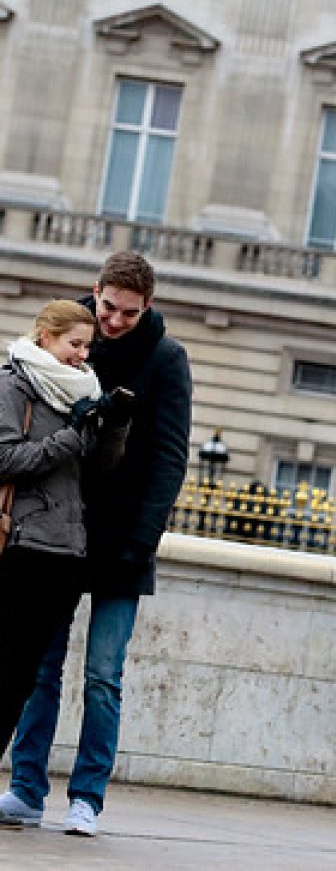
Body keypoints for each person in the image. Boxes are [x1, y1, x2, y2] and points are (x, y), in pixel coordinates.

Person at [0, 252, 192, 837]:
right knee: (39, 668)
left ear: (147, 307)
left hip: (121, 540)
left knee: (104, 675)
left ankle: (87, 798)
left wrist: (143, 540)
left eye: (127, 314)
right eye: (108, 307)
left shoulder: (165, 358)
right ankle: (26, 789)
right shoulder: (65, 339)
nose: (111, 323)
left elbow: (168, 459)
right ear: (96, 291)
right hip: (57, 533)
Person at [0, 302, 130, 795]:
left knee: (20, 682)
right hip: (20, 547)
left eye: (86, 347)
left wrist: (112, 426)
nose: (82, 355)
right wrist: (73, 435)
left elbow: (94, 471)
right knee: (3, 671)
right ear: (45, 336)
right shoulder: (14, 384)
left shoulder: (84, 390)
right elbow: (5, 458)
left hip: (65, 554)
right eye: (74, 344)